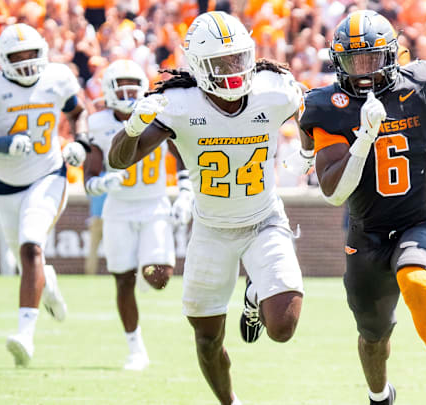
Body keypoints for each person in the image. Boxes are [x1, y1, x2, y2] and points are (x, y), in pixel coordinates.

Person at [299, 10, 426, 405]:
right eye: (354, 61)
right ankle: (379, 395)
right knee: (373, 337)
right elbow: (334, 192)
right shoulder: (328, 107)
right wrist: (364, 138)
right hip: (366, 236)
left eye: (371, 59)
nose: (363, 72)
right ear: (339, 62)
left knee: (416, 281)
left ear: (392, 55)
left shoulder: (422, 85)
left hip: (417, 221)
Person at [107, 12, 305, 405]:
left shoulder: (274, 88)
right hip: (211, 230)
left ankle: (255, 296)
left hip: (263, 220)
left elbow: (313, 113)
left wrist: (308, 150)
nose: (234, 70)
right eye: (222, 63)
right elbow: (118, 159)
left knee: (282, 325)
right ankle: (230, 402)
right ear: (198, 65)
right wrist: (132, 126)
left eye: (239, 59)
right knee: (207, 338)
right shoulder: (178, 103)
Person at [0, 23, 91, 367]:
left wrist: (80, 142)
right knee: (27, 259)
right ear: (2, 61)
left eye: (31, 55)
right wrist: (0, 144)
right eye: (16, 57)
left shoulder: (57, 77)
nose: (25, 63)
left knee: (31, 244)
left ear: (44, 53)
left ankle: (26, 335)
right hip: (6, 186)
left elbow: (78, 112)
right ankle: (46, 281)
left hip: (49, 175)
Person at [83, 59, 191, 371]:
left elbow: (180, 156)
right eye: (122, 85)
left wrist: (185, 193)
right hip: (117, 208)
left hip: (154, 204)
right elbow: (89, 176)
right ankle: (135, 348)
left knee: (158, 278)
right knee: (122, 280)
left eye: (134, 84)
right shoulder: (99, 123)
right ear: (108, 89)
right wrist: (101, 182)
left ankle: (147, 268)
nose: (129, 91)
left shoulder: (156, 114)